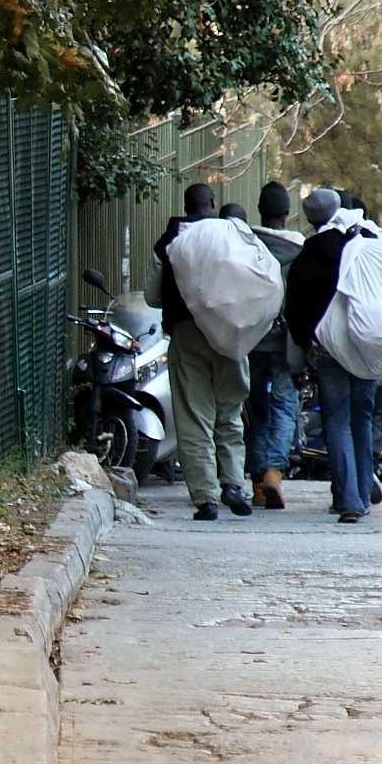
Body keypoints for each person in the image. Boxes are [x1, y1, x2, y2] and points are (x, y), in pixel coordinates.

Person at [149, 182, 252, 521]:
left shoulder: (168, 243)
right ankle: (234, 483)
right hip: (229, 331)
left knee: (194, 417)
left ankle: (205, 498)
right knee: (230, 411)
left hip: (186, 332)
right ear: (211, 203)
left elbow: (152, 297)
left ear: (186, 205)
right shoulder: (231, 236)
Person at [284, 188, 379, 523]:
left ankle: (348, 499)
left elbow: (294, 310)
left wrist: (305, 343)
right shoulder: (365, 244)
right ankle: (364, 489)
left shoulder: (307, 257)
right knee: (362, 418)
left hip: (328, 349)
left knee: (336, 421)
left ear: (309, 219)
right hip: (366, 346)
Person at [245, 181, 304, 508]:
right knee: (284, 406)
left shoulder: (248, 247)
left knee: (255, 410)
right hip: (286, 345)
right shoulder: (300, 252)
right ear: (287, 213)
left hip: (251, 341)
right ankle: (273, 473)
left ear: (260, 210)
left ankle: (256, 483)